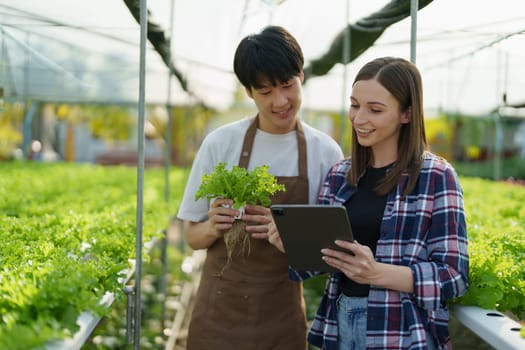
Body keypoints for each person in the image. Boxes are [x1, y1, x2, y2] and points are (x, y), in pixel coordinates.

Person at [268, 57, 469, 350]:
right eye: (354, 105)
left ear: (407, 114)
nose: (359, 118)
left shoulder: (436, 176)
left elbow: (454, 276)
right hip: (340, 323)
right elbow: (319, 264)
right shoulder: (340, 175)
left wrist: (377, 272)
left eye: (374, 110)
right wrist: (294, 243)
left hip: (400, 332)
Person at [176, 25, 344, 350]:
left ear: (302, 77)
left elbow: (333, 254)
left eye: (287, 85)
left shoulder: (326, 152)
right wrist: (213, 226)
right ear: (248, 93)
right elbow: (191, 237)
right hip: (219, 312)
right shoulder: (221, 143)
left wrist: (291, 236)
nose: (280, 101)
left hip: (281, 313)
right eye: (265, 92)